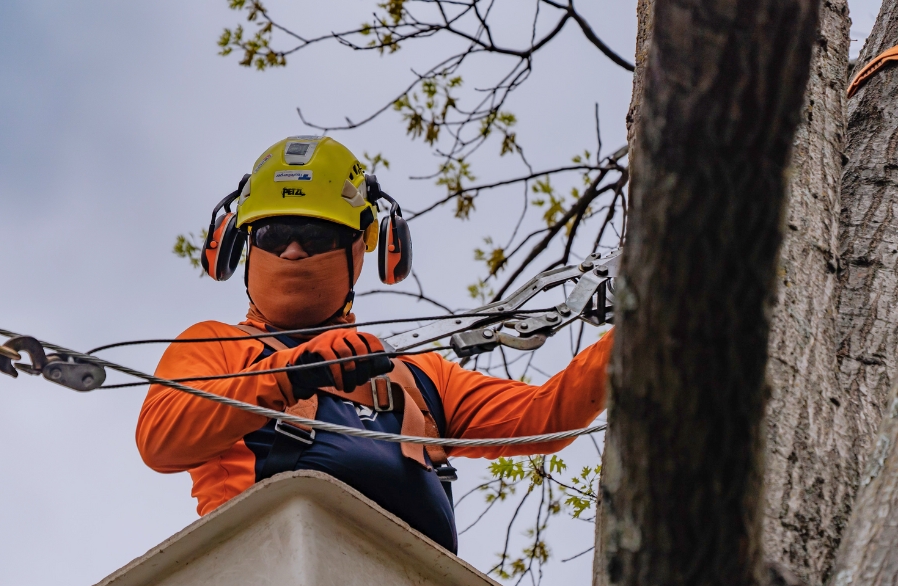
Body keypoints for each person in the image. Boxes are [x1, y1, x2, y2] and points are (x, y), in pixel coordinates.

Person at [137, 136, 612, 553]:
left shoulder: (415, 374)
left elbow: (546, 418)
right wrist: (289, 376)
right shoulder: (215, 346)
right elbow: (161, 442)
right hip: (265, 579)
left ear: (362, 249)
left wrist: (637, 327)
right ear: (240, 244)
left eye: (316, 234)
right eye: (273, 233)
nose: (293, 251)